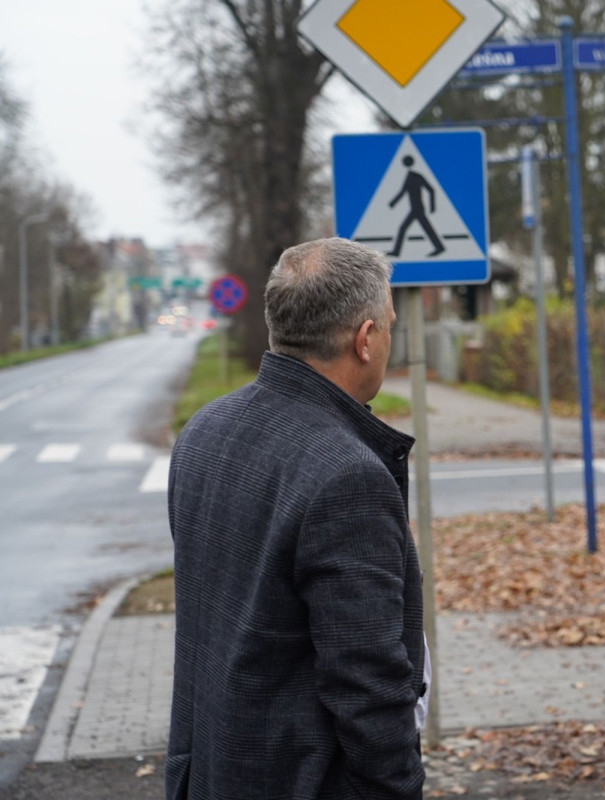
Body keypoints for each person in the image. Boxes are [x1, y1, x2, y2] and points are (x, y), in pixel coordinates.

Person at [166, 238, 425, 800]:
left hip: (210, 772)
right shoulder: (347, 477)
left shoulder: (203, 434)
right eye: (388, 325)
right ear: (365, 339)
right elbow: (368, 687)